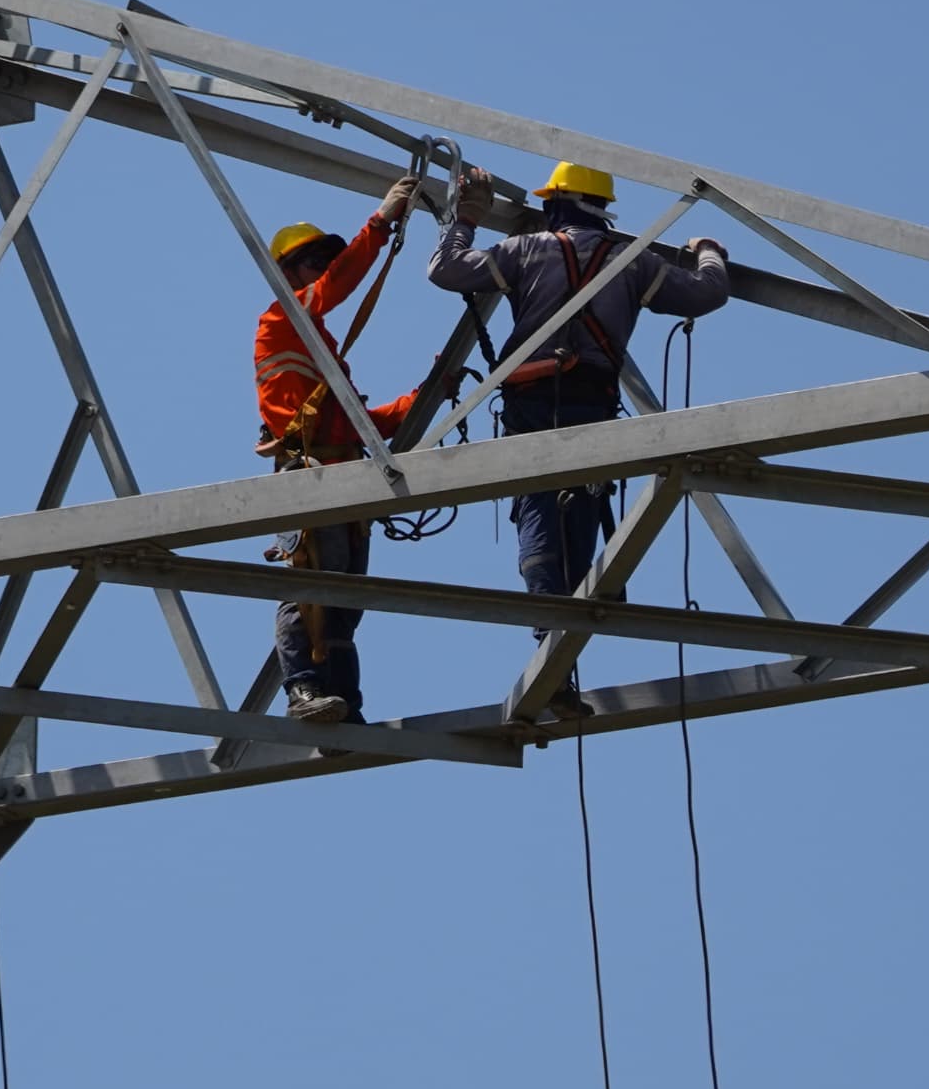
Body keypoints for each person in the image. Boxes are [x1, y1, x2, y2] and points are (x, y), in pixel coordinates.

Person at [426, 161, 730, 711]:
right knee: (580, 511)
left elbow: (445, 270)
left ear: (557, 203)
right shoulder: (632, 261)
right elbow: (706, 294)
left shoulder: (527, 250)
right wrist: (708, 251)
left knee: (540, 509)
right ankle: (561, 655)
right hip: (592, 404)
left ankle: (554, 648)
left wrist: (465, 218)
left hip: (533, 402)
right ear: (602, 209)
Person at [253, 175, 422, 723]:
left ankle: (344, 705)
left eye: (328, 260)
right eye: (313, 262)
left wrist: (424, 396)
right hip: (308, 473)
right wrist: (380, 223)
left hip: (342, 474)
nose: (324, 269)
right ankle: (303, 691)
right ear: (286, 275)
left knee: (345, 600)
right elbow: (336, 287)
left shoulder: (318, 342)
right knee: (309, 586)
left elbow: (355, 426)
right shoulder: (280, 319)